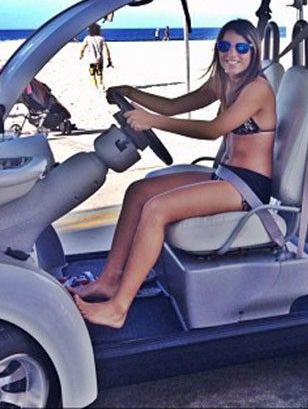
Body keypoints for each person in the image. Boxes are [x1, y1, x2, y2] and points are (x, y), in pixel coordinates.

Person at [72, 19, 276, 328]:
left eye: (241, 48)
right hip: (226, 173)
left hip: (248, 186)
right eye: (224, 46)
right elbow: (173, 106)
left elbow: (213, 129)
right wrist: (130, 92)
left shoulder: (257, 88)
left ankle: (118, 309)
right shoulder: (223, 82)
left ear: (254, 51)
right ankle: (110, 280)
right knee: (139, 191)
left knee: (157, 209)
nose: (231, 54)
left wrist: (152, 121)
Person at [79, 23, 113, 92]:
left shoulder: (87, 38)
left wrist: (81, 55)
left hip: (91, 60)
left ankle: (96, 88)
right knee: (99, 74)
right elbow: (107, 49)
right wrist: (109, 59)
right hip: (100, 60)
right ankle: (102, 86)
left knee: (92, 75)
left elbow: (82, 48)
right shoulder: (101, 38)